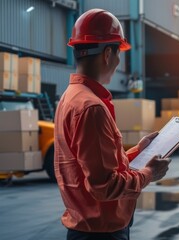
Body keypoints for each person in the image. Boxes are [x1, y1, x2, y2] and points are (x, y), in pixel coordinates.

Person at [54, 8, 170, 240]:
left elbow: (93, 165)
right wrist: (148, 173)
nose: (118, 61)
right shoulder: (92, 108)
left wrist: (138, 150)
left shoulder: (71, 97)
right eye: (119, 54)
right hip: (101, 234)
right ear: (108, 53)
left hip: (87, 230)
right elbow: (104, 186)